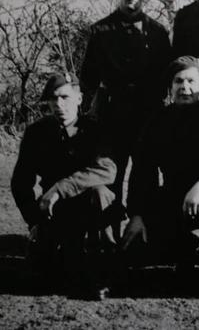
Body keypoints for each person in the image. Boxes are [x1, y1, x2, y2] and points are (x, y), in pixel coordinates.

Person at [121, 56, 199, 285]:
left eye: (191, 80)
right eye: (178, 81)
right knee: (140, 254)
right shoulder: (158, 121)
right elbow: (143, 171)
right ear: (170, 87)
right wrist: (138, 214)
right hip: (175, 197)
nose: (184, 87)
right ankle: (184, 248)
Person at [11, 73, 120, 299]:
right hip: (54, 212)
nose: (59, 105)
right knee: (39, 279)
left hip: (89, 211)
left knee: (101, 193)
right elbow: (21, 182)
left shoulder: (95, 129)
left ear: (79, 99)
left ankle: (102, 268)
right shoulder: (36, 133)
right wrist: (33, 220)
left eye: (65, 97)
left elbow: (106, 170)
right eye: (53, 99)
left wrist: (60, 189)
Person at [80, 0, 172, 237]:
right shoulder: (100, 30)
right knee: (111, 173)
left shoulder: (158, 32)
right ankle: (109, 233)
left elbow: (166, 76)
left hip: (147, 113)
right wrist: (91, 111)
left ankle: (141, 234)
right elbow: (88, 78)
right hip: (112, 113)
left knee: (145, 173)